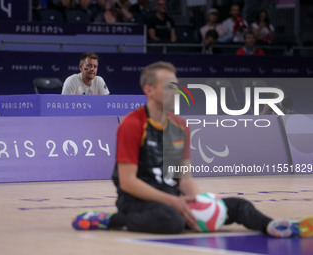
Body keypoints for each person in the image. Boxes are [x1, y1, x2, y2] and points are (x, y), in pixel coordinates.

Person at [71, 61, 313, 237]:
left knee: (237, 206)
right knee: (172, 223)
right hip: (137, 201)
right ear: (149, 91)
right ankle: (109, 220)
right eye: (168, 86)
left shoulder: (179, 126)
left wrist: (196, 202)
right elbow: (127, 182)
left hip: (173, 198)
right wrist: (173, 203)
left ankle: (275, 226)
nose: (176, 90)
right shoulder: (133, 124)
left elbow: (183, 177)